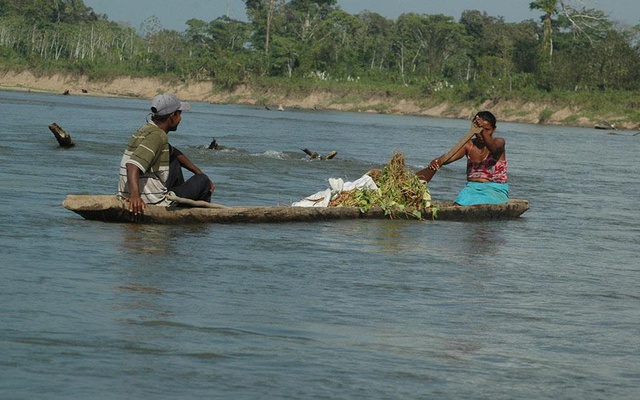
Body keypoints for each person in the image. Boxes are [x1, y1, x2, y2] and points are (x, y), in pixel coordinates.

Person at [118, 93, 215, 216]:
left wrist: (198, 171)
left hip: (130, 193)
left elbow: (174, 152)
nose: (181, 118)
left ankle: (179, 202)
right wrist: (135, 197)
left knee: (174, 161)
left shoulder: (146, 129)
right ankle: (198, 217)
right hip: (152, 201)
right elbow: (132, 165)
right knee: (203, 181)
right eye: (179, 114)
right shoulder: (158, 137)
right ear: (172, 116)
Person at [426, 111, 509, 206]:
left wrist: (482, 129)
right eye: (478, 130)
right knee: (457, 205)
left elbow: (493, 149)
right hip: (471, 189)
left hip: (494, 190)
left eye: (487, 130)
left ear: (494, 130)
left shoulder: (499, 142)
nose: (481, 134)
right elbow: (449, 157)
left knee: (478, 202)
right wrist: (438, 161)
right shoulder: (468, 145)